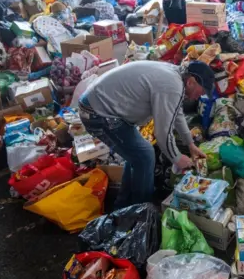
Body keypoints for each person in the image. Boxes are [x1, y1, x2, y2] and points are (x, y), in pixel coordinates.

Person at [78, 60, 216, 209]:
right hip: (97, 112)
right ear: (191, 82)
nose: (199, 97)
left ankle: (123, 207)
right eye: (201, 92)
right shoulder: (172, 85)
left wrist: (190, 144)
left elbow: (176, 113)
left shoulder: (176, 77)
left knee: (137, 156)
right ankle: (142, 211)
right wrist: (177, 158)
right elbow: (163, 132)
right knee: (145, 155)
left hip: (103, 108)